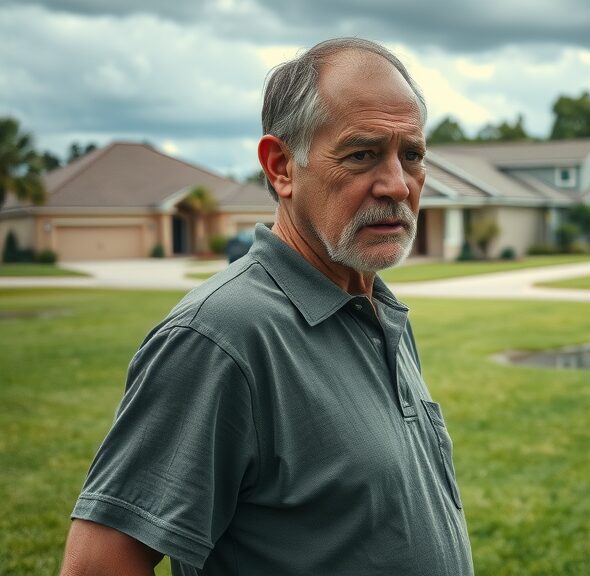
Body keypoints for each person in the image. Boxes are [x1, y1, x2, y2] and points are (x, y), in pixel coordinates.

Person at [60, 38, 473, 575]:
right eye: (362, 154)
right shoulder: (219, 338)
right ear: (281, 167)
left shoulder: (374, 308)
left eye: (411, 155)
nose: (397, 184)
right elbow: (99, 566)